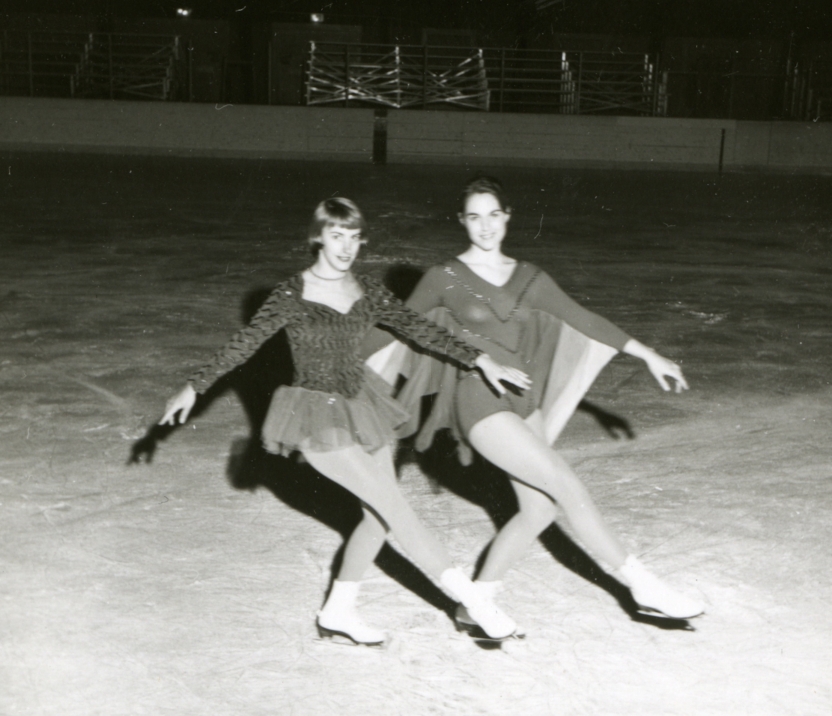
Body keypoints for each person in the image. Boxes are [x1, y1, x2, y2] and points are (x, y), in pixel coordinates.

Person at [159, 197, 532, 646]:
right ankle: (474, 602)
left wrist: (479, 360)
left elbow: (422, 329)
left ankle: (337, 611)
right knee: (396, 508)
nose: (347, 247)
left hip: (361, 408)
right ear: (318, 236)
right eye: (337, 236)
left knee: (378, 516)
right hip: (315, 418)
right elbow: (243, 345)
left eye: (354, 237)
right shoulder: (290, 294)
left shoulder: (368, 291)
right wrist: (195, 386)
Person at [362, 176, 705, 631]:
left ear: (507, 217)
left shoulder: (530, 278)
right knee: (565, 483)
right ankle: (641, 585)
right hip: (479, 400)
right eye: (474, 216)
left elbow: (583, 318)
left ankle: (475, 602)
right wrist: (332, 357)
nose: (485, 226)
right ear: (462, 221)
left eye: (493, 214)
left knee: (541, 507)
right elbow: (394, 326)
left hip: (525, 400)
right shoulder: (443, 278)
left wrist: (648, 355)